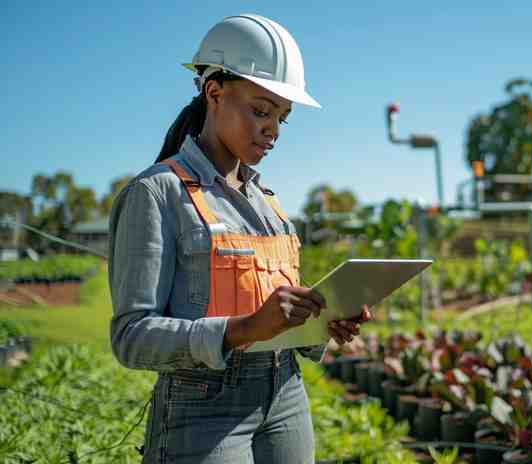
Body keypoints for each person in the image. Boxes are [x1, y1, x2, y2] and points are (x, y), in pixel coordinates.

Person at [108, 14, 369, 463]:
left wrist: (322, 323)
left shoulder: (270, 206)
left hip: (285, 395)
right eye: (261, 111)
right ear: (214, 93)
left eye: (283, 118)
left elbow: (279, 314)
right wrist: (244, 329)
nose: (273, 130)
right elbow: (132, 337)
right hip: (203, 408)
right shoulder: (157, 193)